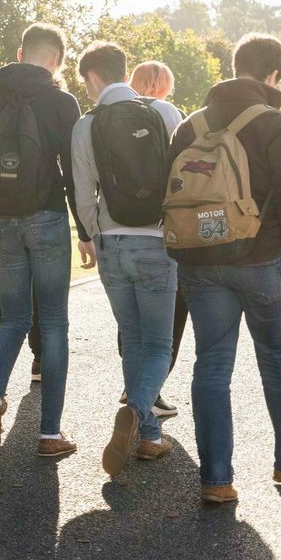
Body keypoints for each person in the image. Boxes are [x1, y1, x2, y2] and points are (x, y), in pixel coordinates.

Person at [165, 34, 281, 506]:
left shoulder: (190, 124)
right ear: (274, 75)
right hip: (264, 258)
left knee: (212, 364)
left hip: (198, 257)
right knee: (277, 357)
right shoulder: (277, 123)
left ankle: (216, 478)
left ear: (235, 66)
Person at [0, 23, 85, 460]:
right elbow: (72, 172)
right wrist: (85, 231)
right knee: (52, 323)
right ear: (56, 60)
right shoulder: (61, 101)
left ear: (19, 53)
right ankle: (49, 433)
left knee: (13, 318)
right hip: (47, 218)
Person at [72, 44, 182, 476]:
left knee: (133, 339)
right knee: (159, 344)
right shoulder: (166, 115)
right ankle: (137, 412)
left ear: (93, 78)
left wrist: (94, 234)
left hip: (113, 243)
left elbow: (84, 194)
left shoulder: (86, 125)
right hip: (158, 240)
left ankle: (150, 437)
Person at [125, 60, 187, 417]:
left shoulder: (114, 113)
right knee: (168, 318)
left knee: (131, 318)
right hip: (159, 226)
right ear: (164, 85)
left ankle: (132, 382)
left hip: (117, 225)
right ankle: (149, 393)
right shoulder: (170, 114)